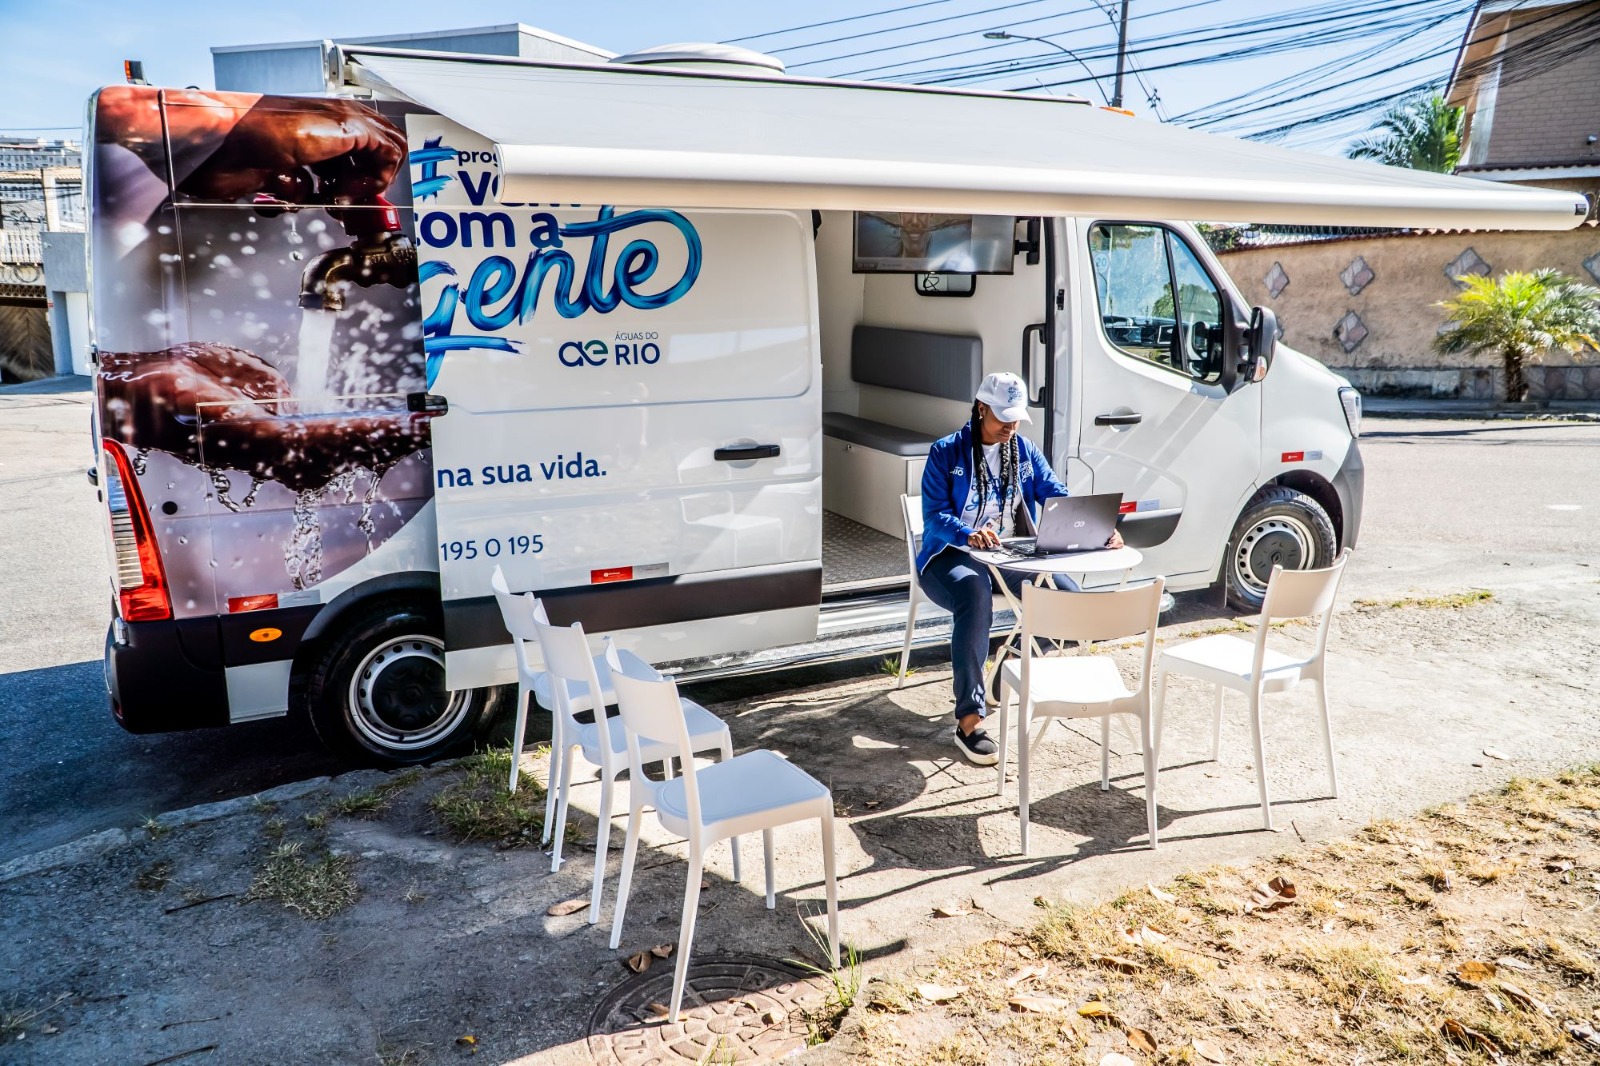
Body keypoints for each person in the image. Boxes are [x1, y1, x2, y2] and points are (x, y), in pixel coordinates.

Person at [915, 372, 1123, 765]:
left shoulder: (1023, 450)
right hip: (950, 555)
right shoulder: (946, 451)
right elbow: (934, 516)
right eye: (1002, 418)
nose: (1010, 426)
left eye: (1015, 418)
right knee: (974, 597)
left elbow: (1055, 494)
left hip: (1008, 553)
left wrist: (1100, 528)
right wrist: (967, 533)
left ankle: (1009, 662)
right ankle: (969, 721)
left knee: (1068, 599)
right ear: (981, 409)